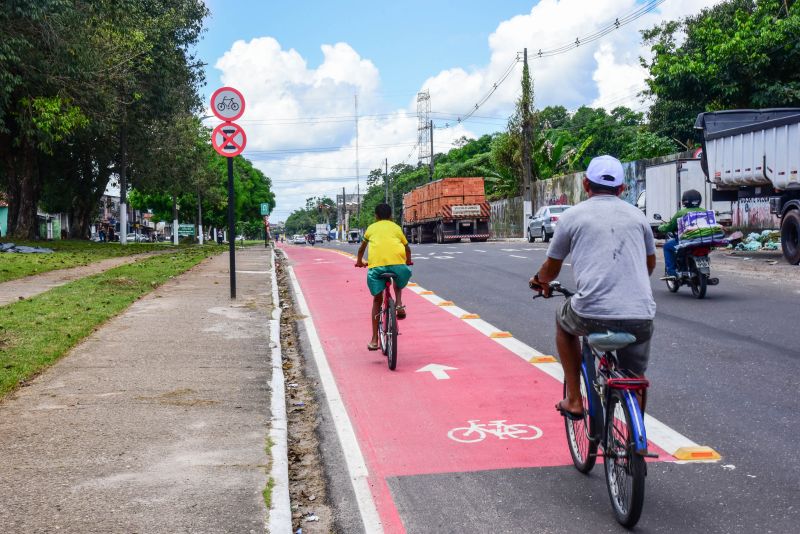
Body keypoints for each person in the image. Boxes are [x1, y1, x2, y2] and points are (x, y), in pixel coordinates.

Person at [530, 155, 656, 420]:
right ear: (622, 189)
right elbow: (650, 265)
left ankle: (574, 399)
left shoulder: (572, 216)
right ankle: (636, 436)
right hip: (640, 315)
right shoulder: (638, 216)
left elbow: (551, 269)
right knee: (635, 377)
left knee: (563, 322)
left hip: (589, 314)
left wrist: (540, 282)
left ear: (586, 184)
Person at [355, 203, 413, 351]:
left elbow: (362, 248)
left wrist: (359, 261)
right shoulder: (396, 227)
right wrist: (408, 260)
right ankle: (399, 304)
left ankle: (374, 340)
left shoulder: (371, 228)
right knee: (398, 281)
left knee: (377, 300)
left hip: (377, 268)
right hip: (397, 266)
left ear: (376, 216)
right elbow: (407, 248)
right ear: (391, 216)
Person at [658, 189, 705, 278]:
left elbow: (669, 226)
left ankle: (671, 272)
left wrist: (660, 227)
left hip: (687, 241)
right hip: (703, 241)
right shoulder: (705, 211)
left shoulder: (681, 213)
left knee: (667, 246)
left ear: (685, 201)